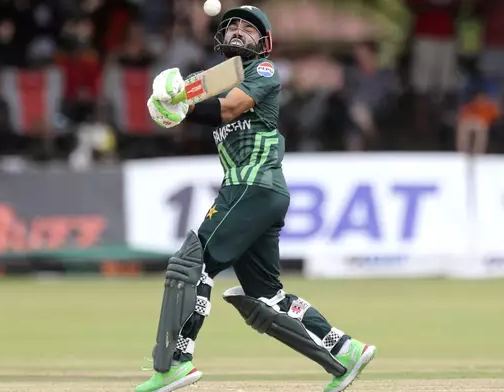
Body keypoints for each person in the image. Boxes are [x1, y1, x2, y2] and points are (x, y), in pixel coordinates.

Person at [139, 6, 376, 392]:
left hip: (252, 185)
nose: (238, 30)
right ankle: (346, 351)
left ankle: (175, 363)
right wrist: (173, 104)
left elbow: (230, 108)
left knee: (193, 264)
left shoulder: (263, 71)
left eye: (248, 28)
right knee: (267, 295)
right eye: (231, 25)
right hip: (257, 190)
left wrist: (183, 107)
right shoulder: (216, 80)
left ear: (264, 43)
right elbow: (204, 100)